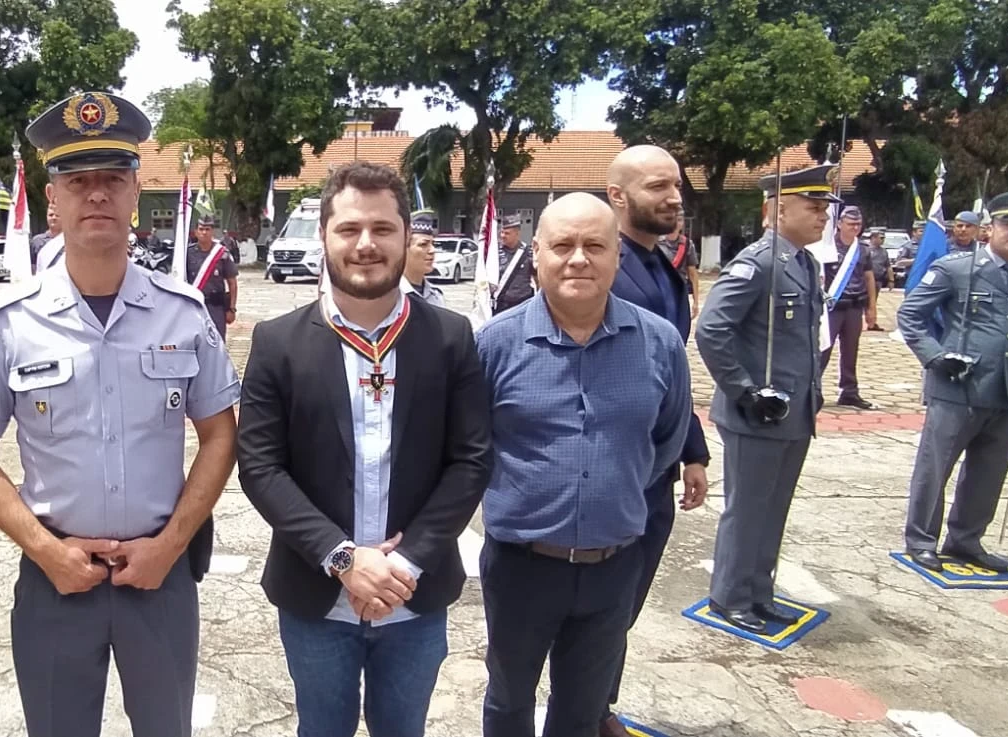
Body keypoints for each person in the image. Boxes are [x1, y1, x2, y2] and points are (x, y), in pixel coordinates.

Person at [0, 92, 239, 737]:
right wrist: (45, 551)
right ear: (54, 200)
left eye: (112, 180)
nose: (97, 196)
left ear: (136, 193)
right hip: (55, 583)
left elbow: (220, 436)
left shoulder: (184, 315)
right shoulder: (3, 325)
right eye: (79, 182)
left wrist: (171, 545)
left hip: (158, 578)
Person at [237, 162, 491, 737]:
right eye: (349, 229)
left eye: (383, 229)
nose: (366, 244)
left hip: (414, 594)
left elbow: (472, 459)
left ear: (406, 237)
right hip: (316, 596)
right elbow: (259, 464)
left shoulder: (451, 338)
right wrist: (344, 558)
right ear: (324, 236)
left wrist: (401, 562)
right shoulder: (277, 343)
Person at [476, 192, 690, 737]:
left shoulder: (660, 344)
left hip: (615, 566)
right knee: (508, 702)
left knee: (580, 712)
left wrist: (606, 492)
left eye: (595, 245)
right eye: (563, 246)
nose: (578, 259)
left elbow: (664, 443)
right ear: (537, 257)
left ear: (617, 255)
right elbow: (471, 448)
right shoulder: (493, 347)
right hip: (522, 566)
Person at [696, 164, 835, 634]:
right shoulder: (758, 263)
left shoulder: (804, 263)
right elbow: (712, 329)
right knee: (748, 509)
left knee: (773, 510)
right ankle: (730, 596)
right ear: (776, 210)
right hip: (757, 413)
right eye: (812, 208)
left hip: (793, 410)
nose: (822, 217)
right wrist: (745, 390)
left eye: (824, 209)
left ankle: (759, 591)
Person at [601, 145, 710, 737]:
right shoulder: (608, 267)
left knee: (628, 600)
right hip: (620, 472)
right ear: (618, 196)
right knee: (607, 603)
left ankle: (600, 701)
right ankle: (591, 708)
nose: (673, 197)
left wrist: (692, 449)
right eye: (657, 187)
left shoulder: (661, 263)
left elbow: (673, 373)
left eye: (675, 186)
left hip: (658, 469)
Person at [895, 190, 1008, 573]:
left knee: (988, 473)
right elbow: (910, 316)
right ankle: (921, 539)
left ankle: (966, 540)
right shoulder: (957, 269)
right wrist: (935, 357)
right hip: (958, 387)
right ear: (990, 229)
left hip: (1007, 390)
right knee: (935, 467)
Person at [820, 206, 877, 410]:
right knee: (823, 348)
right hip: (832, 306)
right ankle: (813, 389)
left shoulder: (862, 249)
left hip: (855, 305)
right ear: (839, 224)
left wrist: (872, 307)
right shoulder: (827, 246)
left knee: (850, 351)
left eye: (858, 224)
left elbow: (869, 277)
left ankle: (849, 392)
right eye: (851, 223)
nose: (855, 228)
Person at [187, 214, 240, 340]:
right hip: (194, 306)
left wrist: (231, 309)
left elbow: (232, 283)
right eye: (201, 229)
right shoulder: (188, 254)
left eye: (207, 229)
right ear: (195, 231)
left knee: (218, 341)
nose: (204, 232)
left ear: (212, 231)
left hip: (216, 307)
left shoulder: (222, 254)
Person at [658, 213, 700, 318]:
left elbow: (693, 275)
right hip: (660, 291)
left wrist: (696, 302)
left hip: (679, 292)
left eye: (680, 220)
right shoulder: (655, 242)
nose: (676, 223)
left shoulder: (687, 244)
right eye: (673, 219)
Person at [489, 215, 534, 313]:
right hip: (500, 305)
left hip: (522, 303)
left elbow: (538, 279)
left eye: (507, 233)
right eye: (502, 232)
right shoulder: (494, 253)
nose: (502, 236)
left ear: (517, 234)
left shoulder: (528, 253)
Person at [401, 208, 445, 307]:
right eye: (423, 244)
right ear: (403, 249)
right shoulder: (390, 298)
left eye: (433, 244)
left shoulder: (435, 296)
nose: (432, 250)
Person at [866, 228, 892, 330]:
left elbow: (888, 266)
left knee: (873, 301)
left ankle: (871, 323)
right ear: (873, 238)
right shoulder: (866, 250)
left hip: (878, 280)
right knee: (863, 302)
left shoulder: (884, 252)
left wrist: (891, 280)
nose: (882, 240)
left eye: (883, 238)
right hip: (865, 280)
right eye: (880, 238)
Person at [30, 202, 61, 270]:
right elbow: (33, 267)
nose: (54, 218)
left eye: (57, 215)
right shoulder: (37, 241)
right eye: (51, 215)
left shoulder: (70, 241)